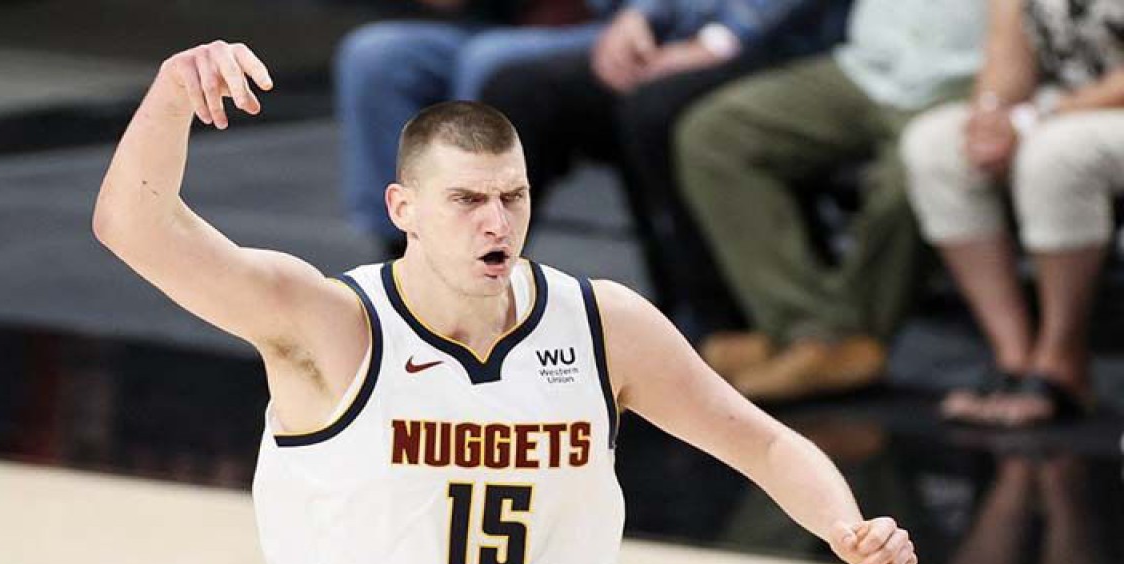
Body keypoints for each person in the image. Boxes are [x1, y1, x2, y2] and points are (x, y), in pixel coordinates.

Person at [92, 40, 918, 564]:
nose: (497, 221)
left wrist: (847, 525)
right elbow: (135, 226)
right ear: (403, 208)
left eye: (512, 196)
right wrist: (171, 95)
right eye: (466, 200)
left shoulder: (602, 325)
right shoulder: (329, 327)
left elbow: (762, 441)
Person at [672, 0, 987, 402]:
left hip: (968, 76)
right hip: (870, 66)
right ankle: (807, 330)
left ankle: (831, 343)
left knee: (915, 172)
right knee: (715, 134)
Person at [480, 0, 851, 320]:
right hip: (683, 36)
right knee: (521, 91)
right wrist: (639, 15)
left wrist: (719, 40)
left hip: (786, 47)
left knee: (654, 110)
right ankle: (476, 290)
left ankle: (705, 318)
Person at [899, 0, 1124, 426]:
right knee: (935, 146)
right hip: (1054, 109)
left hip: (1090, 111)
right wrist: (990, 116)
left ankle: (1061, 360)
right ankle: (1014, 358)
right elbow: (1007, 53)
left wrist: (1035, 119)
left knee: (1057, 153)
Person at [335, 0, 621, 256]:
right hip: (498, 23)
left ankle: (474, 241)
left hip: (612, 25)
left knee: (486, 62)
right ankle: (404, 247)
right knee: (375, 55)